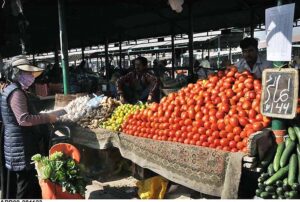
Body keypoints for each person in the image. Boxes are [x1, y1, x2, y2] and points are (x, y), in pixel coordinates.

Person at [1, 55, 58, 199]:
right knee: (25, 185)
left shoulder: (10, 89)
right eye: (28, 72)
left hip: (16, 143)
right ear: (17, 73)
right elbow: (24, 119)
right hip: (21, 145)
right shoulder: (16, 93)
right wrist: (48, 117)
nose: (31, 76)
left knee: (24, 183)